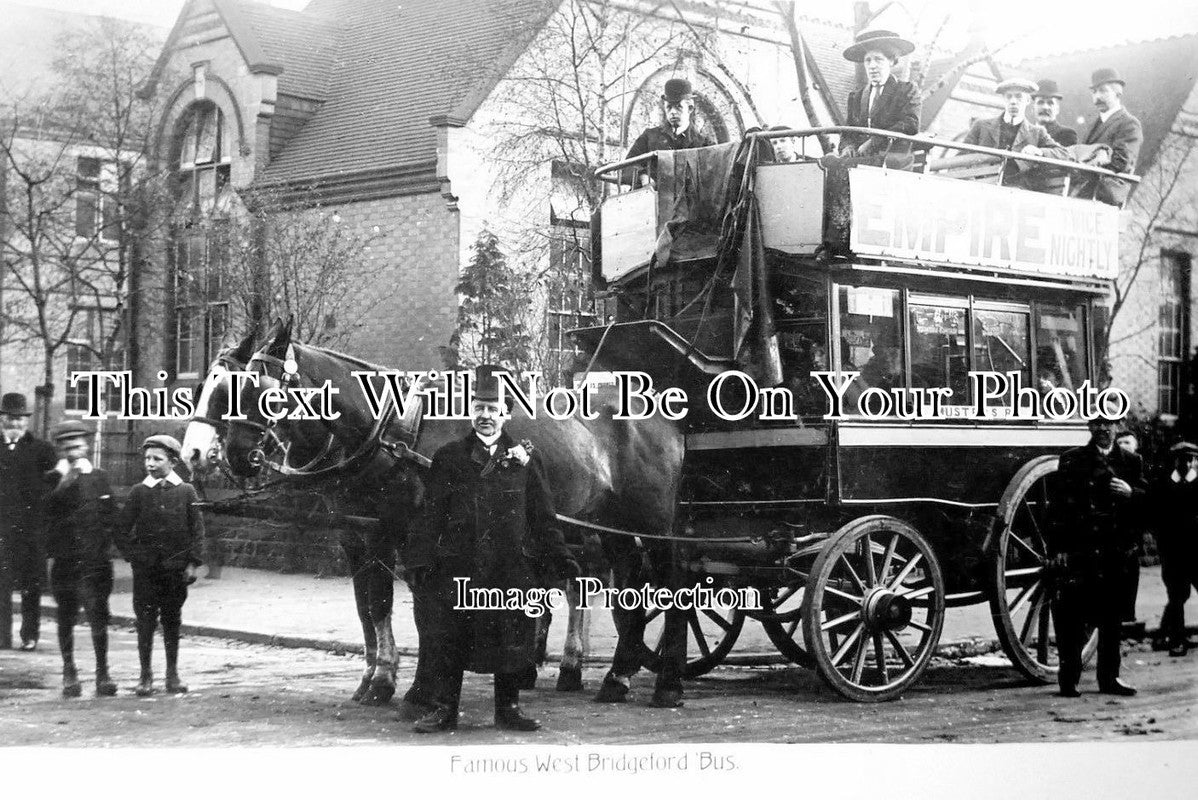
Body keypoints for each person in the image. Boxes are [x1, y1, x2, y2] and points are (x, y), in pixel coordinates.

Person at [404, 365, 578, 733]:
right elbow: (430, 514)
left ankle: (509, 708)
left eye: (493, 408)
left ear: (506, 413)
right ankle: (444, 709)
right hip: (459, 567)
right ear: (472, 411)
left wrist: (560, 557)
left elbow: (543, 515)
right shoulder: (450, 457)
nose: (486, 416)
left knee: (511, 636)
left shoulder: (526, 460)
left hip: (509, 566)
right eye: (479, 408)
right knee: (449, 637)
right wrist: (419, 558)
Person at [1048, 416, 1146, 697]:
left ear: (1118, 426)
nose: (1103, 428)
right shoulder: (1072, 459)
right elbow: (1057, 508)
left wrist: (1131, 493)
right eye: (1097, 423)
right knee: (1073, 618)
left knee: (1111, 619)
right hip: (1082, 549)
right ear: (1089, 427)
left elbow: (1148, 501)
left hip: (1116, 551)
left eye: (1109, 423)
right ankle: (1069, 679)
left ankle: (1109, 679)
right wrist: (1059, 550)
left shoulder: (1131, 461)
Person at [115, 434, 204, 696]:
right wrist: (134, 556)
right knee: (144, 621)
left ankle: (172, 674)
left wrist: (192, 564)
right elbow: (120, 530)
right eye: (147, 458)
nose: (150, 464)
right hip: (147, 573)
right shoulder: (139, 492)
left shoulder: (187, 491)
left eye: (157, 458)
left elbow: (197, 531)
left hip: (175, 572)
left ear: (173, 461)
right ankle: (145, 675)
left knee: (172, 620)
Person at [43, 420, 118, 697]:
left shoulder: (98, 477)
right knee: (66, 617)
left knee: (99, 617)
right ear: (60, 449)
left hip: (95, 563)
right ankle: (69, 671)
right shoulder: (52, 479)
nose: (74, 451)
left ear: (86, 445)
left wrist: (107, 547)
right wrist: (63, 481)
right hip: (66, 563)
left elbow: (111, 515)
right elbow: (45, 512)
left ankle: (103, 673)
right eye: (68, 446)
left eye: (78, 445)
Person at [0, 392, 56, 650]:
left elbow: (54, 484)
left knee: (31, 585)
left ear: (26, 421)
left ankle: (30, 635)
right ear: (1, 419)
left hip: (31, 531)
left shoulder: (41, 449)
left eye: (20, 419)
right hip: (1, 531)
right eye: (9, 419)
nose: (15, 424)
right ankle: (2, 637)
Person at [961, 78, 1070, 188]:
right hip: (981, 187)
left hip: (1017, 193)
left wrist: (1039, 152)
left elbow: (1064, 154)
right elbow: (959, 159)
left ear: (1027, 101)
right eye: (1009, 97)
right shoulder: (981, 126)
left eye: (1019, 96)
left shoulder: (1037, 133)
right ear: (1004, 99)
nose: (1013, 101)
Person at [837, 29, 921, 163]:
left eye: (878, 59)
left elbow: (911, 124)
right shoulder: (857, 97)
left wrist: (873, 142)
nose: (872, 66)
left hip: (893, 159)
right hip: (863, 159)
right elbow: (848, 131)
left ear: (891, 61)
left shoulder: (906, 90)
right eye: (868, 60)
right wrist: (848, 147)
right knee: (828, 163)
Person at [1072, 67, 1143, 206]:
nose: (1097, 97)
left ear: (1118, 93)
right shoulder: (1094, 124)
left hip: (1104, 200)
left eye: (1103, 91)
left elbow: (1121, 163)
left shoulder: (1129, 124)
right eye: (1094, 92)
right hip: (1082, 197)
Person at [624, 77, 715, 184]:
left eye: (678, 107)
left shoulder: (704, 144)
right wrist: (643, 176)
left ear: (690, 108)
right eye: (669, 107)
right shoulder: (650, 136)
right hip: (651, 197)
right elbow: (626, 167)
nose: (673, 112)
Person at [1153, 442, 1198, 657]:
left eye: (1190, 459)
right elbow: (1157, 520)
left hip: (1197, 551)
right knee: (1177, 595)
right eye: (1182, 459)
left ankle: (1164, 634)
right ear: (1175, 461)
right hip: (1173, 552)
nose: (1186, 463)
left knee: (1183, 594)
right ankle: (1177, 640)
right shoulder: (1163, 485)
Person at [1032, 79, 1079, 146]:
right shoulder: (1025, 134)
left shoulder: (1067, 134)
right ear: (1033, 108)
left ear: (1057, 109)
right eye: (1040, 102)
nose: (1045, 107)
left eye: (1050, 103)